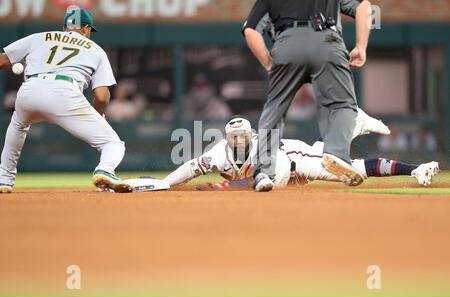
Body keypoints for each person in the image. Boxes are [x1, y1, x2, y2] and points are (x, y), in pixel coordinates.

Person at [243, 0, 373, 191]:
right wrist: (361, 46)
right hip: (327, 41)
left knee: (274, 110)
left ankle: (263, 173)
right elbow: (365, 7)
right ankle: (336, 153)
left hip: (287, 43)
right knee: (343, 105)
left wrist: (268, 63)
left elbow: (251, 31)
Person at [0, 8, 133, 193]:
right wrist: (98, 115)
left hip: (30, 89)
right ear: (86, 29)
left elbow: (3, 61)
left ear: (65, 27)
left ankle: (4, 180)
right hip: (65, 93)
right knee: (113, 144)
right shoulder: (96, 50)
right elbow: (102, 96)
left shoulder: (39, 37)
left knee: (18, 125)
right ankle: (105, 170)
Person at [163, 116, 439, 190]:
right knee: (327, 150)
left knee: (350, 170)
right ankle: (352, 123)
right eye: (233, 138)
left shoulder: (263, 149)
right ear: (226, 139)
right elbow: (191, 167)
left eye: (242, 137)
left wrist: (227, 186)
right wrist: (165, 183)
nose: (238, 142)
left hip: (295, 160)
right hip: (290, 167)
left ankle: (414, 169)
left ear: (252, 136)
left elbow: (277, 178)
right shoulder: (218, 154)